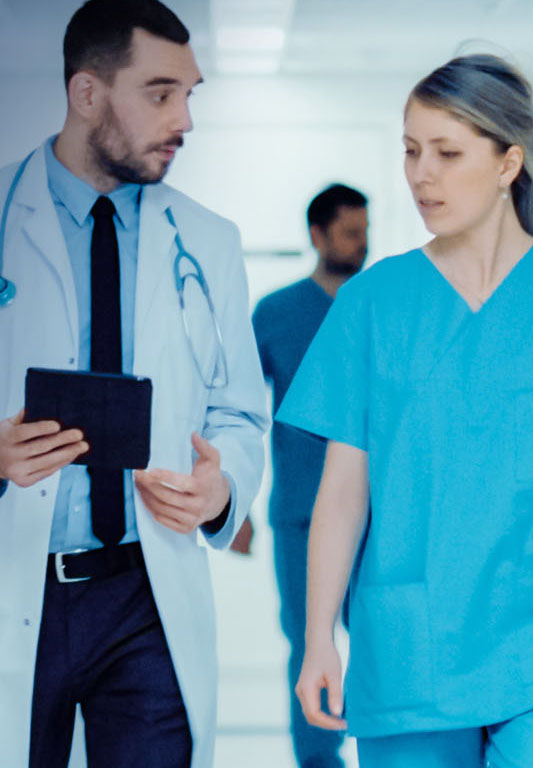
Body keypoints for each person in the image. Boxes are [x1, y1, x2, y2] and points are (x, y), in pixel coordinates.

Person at [276, 54, 533, 768]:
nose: (421, 173)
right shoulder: (372, 304)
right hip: (409, 647)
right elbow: (342, 492)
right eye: (410, 150)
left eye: (447, 153)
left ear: (507, 163)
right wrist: (316, 641)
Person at [0, 2, 268, 767]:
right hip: (17, 580)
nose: (184, 118)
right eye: (159, 94)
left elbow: (240, 411)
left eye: (190, 93)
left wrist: (223, 488)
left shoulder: (209, 241)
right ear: (87, 94)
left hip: (143, 592)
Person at [249, 183, 368, 767]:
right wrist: (235, 504)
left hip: (380, 513)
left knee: (378, 640)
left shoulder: (378, 303)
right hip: (298, 511)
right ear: (317, 236)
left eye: (364, 231)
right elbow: (237, 413)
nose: (360, 243)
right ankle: (319, 759)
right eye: (349, 233)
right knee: (309, 641)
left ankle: (383, 748)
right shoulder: (274, 314)